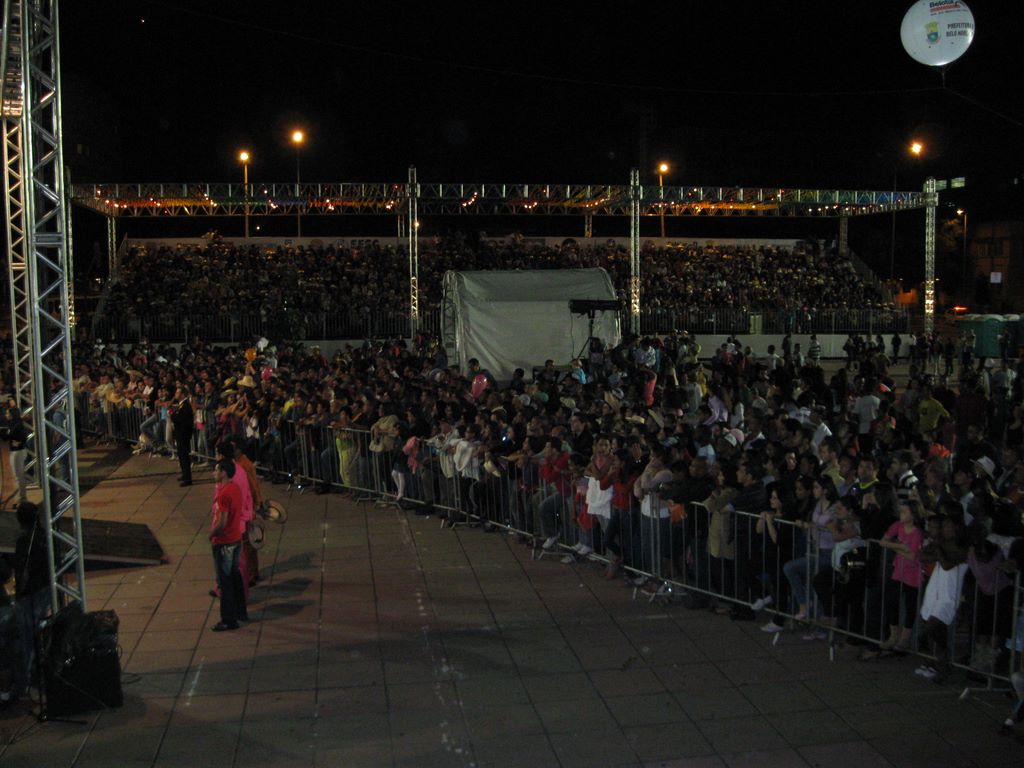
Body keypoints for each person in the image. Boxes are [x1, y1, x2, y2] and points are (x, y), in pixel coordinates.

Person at [210, 459, 247, 631]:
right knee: (235, 575)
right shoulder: (235, 489)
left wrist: (212, 533)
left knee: (225, 581)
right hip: (236, 538)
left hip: (224, 541)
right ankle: (241, 611)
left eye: (216, 470)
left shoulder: (224, 494)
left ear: (223, 472)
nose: (214, 473)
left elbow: (222, 521)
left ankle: (228, 619)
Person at [2, 403, 30, 504]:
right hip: (14, 451)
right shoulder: (11, 425)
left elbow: (23, 438)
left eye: (7, 413)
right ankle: (21, 497)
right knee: (17, 475)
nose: (6, 415)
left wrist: (17, 441)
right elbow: (6, 438)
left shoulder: (18, 425)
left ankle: (23, 498)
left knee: (19, 475)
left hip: (18, 452)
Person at [171, 387, 194, 486]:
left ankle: (188, 478)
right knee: (181, 455)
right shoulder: (181, 405)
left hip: (183, 434)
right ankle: (184, 474)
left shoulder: (185, 405)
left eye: (178, 392)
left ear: (182, 394)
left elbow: (180, 418)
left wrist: (173, 415)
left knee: (184, 456)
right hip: (180, 434)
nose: (176, 394)